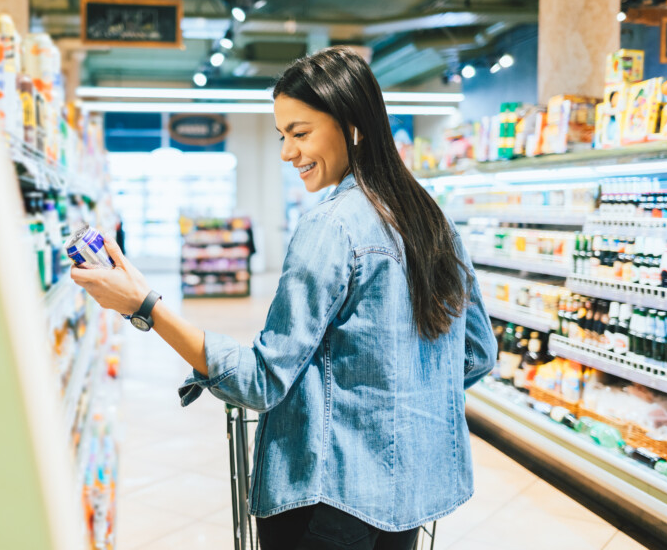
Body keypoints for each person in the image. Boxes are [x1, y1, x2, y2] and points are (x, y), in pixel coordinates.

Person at [71, 46, 497, 550]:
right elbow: (476, 354)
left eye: (300, 133)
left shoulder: (331, 226)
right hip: (407, 505)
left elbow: (262, 381)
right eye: (282, 135)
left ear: (353, 126)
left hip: (326, 504)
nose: (286, 152)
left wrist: (143, 303)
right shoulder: (432, 220)